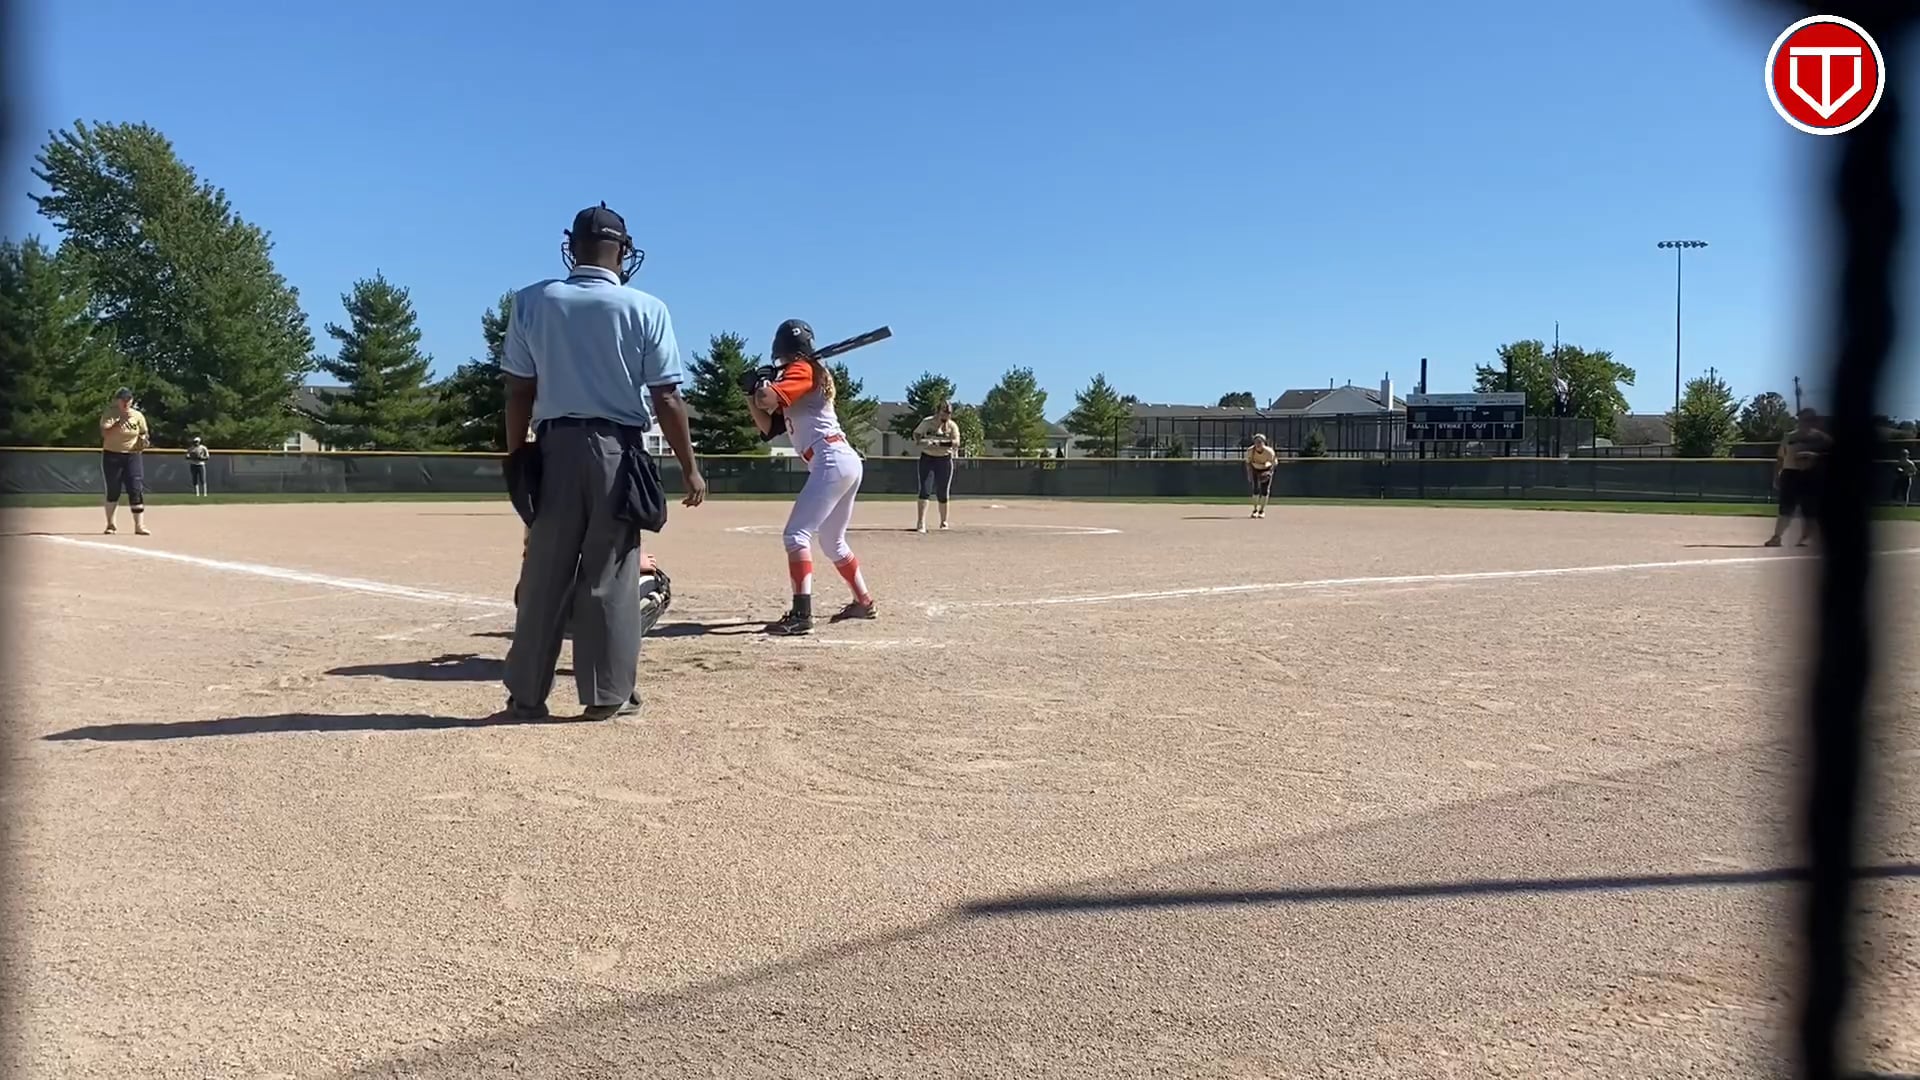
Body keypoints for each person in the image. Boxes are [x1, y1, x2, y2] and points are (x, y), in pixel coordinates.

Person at [500, 202, 706, 721]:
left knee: (544, 573)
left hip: (552, 447)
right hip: (618, 450)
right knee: (610, 573)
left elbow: (518, 390)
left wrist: (517, 453)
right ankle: (607, 694)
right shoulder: (647, 308)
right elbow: (667, 397)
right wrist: (689, 465)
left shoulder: (532, 300)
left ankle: (526, 695)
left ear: (572, 247)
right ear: (623, 251)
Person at [748, 318, 877, 636]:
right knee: (832, 542)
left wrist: (761, 386)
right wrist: (750, 392)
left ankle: (801, 615)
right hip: (839, 459)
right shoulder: (802, 374)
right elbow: (768, 425)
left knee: (796, 535)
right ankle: (863, 602)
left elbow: (767, 399)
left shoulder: (802, 369)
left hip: (831, 458)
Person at [1767, 408, 1831, 548]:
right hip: (1790, 473)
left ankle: (1805, 538)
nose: (1804, 422)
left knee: (1810, 508)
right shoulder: (1789, 437)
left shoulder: (1821, 438)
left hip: (1812, 475)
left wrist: (1815, 457)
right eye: (1801, 419)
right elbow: (1780, 458)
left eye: (1808, 420)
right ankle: (1777, 537)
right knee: (1786, 507)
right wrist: (1777, 475)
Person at [100, 388, 152, 535]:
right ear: (117, 401)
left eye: (128, 400)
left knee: (135, 489)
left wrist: (144, 440)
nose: (126, 402)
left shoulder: (137, 415)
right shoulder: (110, 414)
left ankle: (139, 526)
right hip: (112, 455)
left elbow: (143, 432)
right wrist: (118, 422)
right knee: (113, 490)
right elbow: (104, 432)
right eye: (123, 400)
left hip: (132, 455)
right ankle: (110, 525)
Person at [911, 400, 961, 532]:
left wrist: (939, 444)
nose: (946, 415)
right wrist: (922, 441)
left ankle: (944, 522)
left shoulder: (952, 426)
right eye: (944, 412)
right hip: (928, 458)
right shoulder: (927, 422)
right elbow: (916, 434)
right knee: (925, 490)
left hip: (944, 459)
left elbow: (956, 442)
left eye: (949, 413)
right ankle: (921, 522)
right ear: (938, 412)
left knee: (943, 491)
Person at [1244, 433, 1278, 518]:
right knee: (1255, 490)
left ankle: (1261, 510)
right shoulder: (1250, 451)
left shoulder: (1269, 452)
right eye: (1256, 441)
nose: (1258, 444)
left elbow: (1274, 463)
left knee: (1265, 491)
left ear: (1264, 442)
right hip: (1255, 469)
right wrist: (1249, 474)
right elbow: (1248, 463)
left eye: (1260, 442)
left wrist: (1269, 473)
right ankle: (1255, 510)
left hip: (1266, 469)